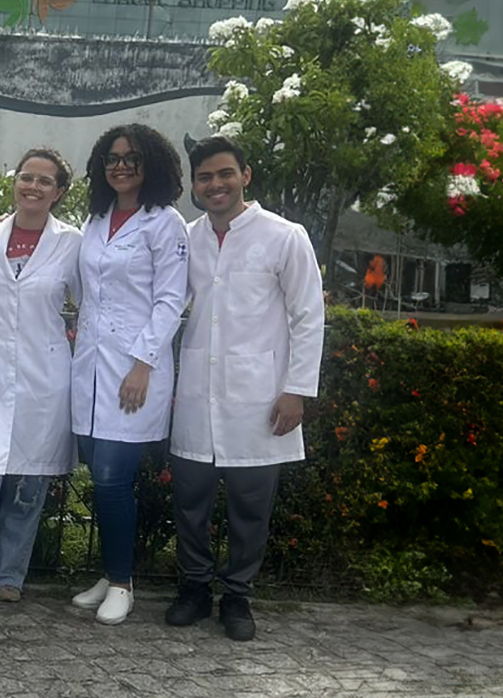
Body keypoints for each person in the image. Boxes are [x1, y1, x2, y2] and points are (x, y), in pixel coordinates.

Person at [166, 137, 324, 641]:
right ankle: (193, 587)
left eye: (224, 174)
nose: (215, 185)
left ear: (245, 176)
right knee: (189, 501)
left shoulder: (283, 236)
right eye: (205, 177)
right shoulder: (185, 238)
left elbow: (308, 316)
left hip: (259, 398)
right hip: (196, 390)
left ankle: (237, 595)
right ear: (194, 185)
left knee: (250, 506)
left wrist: (297, 388)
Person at [70, 124, 189, 626]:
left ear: (151, 165)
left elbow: (170, 300)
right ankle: (110, 571)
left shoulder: (165, 224)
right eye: (112, 158)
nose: (120, 166)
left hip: (134, 372)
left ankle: (123, 582)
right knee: (99, 478)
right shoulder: (96, 220)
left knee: (114, 478)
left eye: (131, 158)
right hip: (91, 369)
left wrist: (143, 365)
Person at [0, 148, 82, 604]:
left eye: (45, 182)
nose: (33, 187)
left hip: (43, 378)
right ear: (15, 182)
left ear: (60, 192)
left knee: (29, 483)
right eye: (26, 177)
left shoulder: (72, 243)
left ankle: (10, 575)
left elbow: (90, 305)